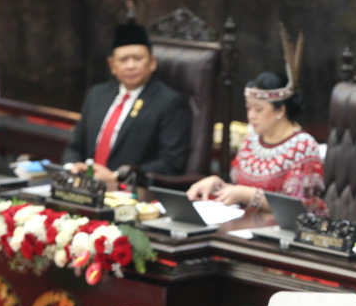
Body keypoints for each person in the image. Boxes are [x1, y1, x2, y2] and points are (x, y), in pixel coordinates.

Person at [62, 21, 191, 182]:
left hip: (129, 191)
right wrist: (71, 168)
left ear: (152, 62)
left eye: (137, 59)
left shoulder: (169, 102)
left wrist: (117, 177)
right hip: (82, 186)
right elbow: (75, 146)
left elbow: (171, 162)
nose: (130, 66)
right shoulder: (96, 94)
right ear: (112, 65)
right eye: (123, 60)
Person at [186, 72, 327, 215]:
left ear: (281, 110)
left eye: (258, 109)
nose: (251, 116)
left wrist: (249, 195)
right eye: (249, 108)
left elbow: (297, 207)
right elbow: (238, 190)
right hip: (246, 224)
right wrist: (218, 185)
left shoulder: (303, 147)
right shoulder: (251, 140)